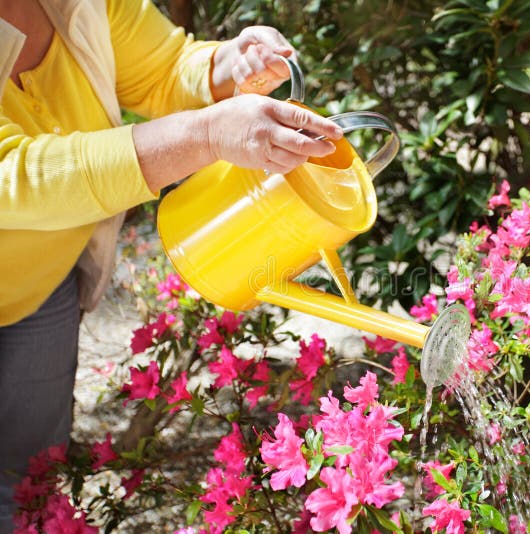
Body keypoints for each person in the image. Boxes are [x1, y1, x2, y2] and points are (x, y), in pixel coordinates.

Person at [0, 0, 343, 529]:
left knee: (27, 488)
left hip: (40, 290)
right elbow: (16, 174)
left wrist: (229, 65)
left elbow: (162, 68)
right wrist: (205, 135)